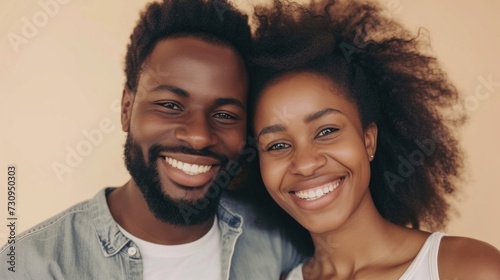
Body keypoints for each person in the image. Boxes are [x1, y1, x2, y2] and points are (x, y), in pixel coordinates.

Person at [0, 0, 306, 279]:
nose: (199, 136)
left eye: (225, 114)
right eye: (171, 106)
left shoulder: (279, 240)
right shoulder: (31, 266)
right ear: (126, 109)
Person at [249, 0, 500, 279]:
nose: (306, 164)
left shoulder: (468, 269)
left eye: (326, 131)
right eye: (278, 145)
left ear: (368, 140)